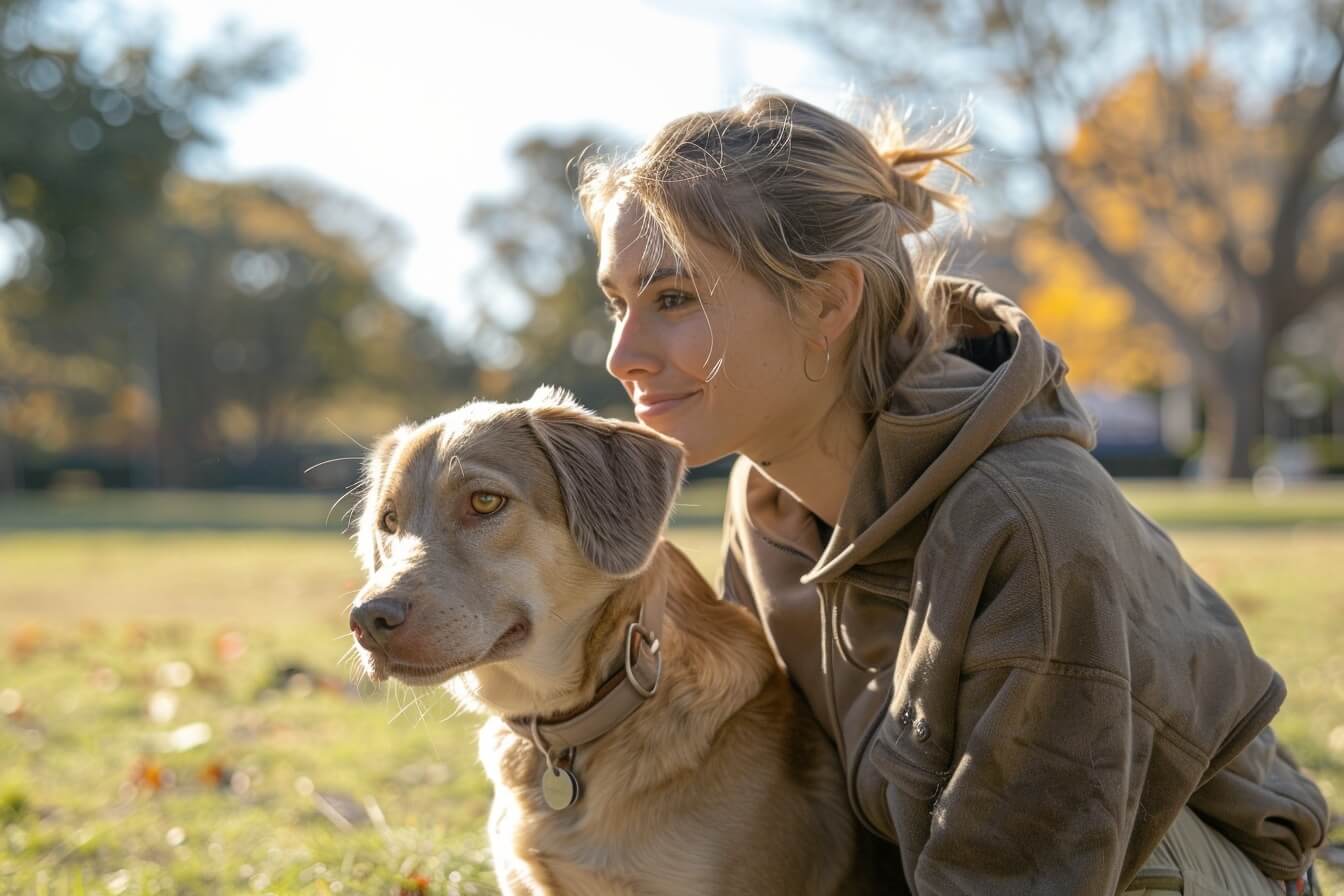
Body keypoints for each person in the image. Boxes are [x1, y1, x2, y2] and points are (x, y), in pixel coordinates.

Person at [575, 91, 1328, 894]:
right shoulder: (765, 504)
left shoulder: (1030, 522)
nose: (624, 355)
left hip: (1162, 871)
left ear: (828, 300)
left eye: (674, 298)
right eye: (619, 303)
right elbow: (789, 799)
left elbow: (1023, 873)